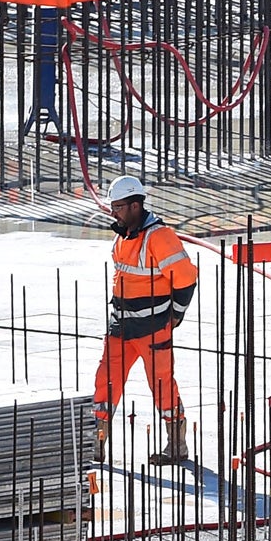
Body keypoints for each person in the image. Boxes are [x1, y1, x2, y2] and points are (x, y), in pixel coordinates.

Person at [93, 176, 199, 465]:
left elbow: (186, 279)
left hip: (152, 330)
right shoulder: (123, 235)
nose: (113, 212)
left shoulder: (159, 237)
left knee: (163, 385)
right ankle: (97, 441)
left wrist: (175, 314)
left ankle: (176, 445)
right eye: (112, 206)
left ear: (136, 205)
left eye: (119, 206)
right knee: (105, 382)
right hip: (121, 327)